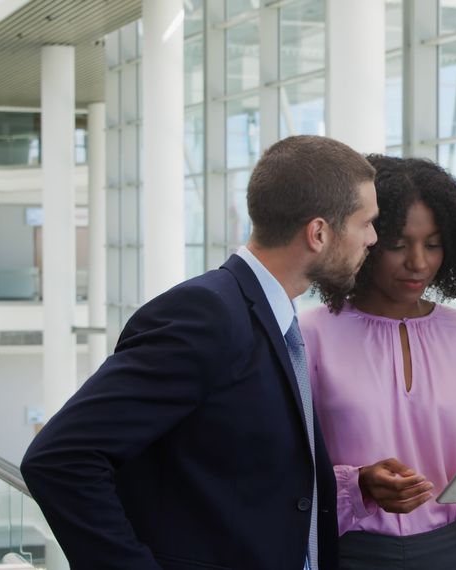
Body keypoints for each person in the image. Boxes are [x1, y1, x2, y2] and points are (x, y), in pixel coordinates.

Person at [20, 135, 380, 569]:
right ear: (319, 232)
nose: (373, 238)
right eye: (366, 223)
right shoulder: (207, 315)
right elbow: (60, 459)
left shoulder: (273, 318)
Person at [301, 155, 456, 569]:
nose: (418, 262)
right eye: (398, 245)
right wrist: (356, 485)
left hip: (452, 554)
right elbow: (286, 476)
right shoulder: (310, 335)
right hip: (347, 555)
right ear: (365, 239)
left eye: (432, 244)